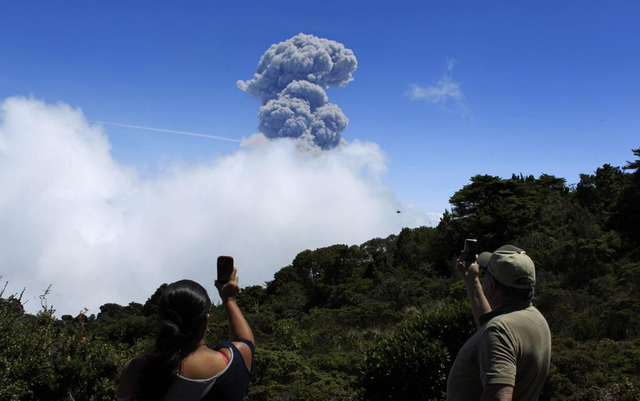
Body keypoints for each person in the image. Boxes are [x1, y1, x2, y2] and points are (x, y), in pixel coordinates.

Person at [117, 265, 255, 401]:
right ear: (206, 321)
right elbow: (245, 341)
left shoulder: (136, 371)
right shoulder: (237, 360)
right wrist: (229, 300)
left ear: (163, 321)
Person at [447, 245, 551, 401]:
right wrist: (472, 280)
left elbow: (500, 397)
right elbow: (490, 323)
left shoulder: (499, 331)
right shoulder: (533, 318)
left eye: (485, 273)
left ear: (491, 285)